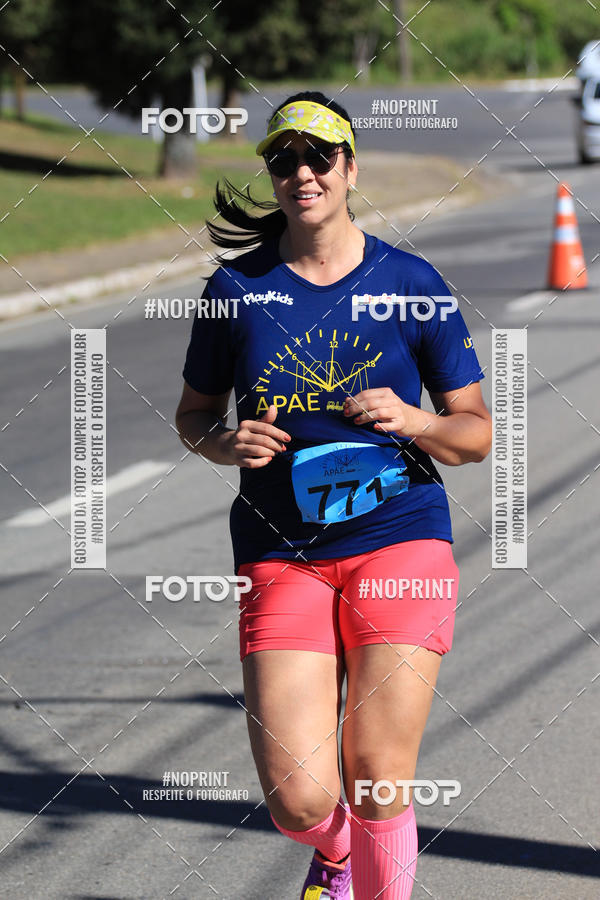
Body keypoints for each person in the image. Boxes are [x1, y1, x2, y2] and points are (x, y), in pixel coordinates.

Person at [176, 91, 492, 899]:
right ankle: (336, 851)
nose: (302, 172)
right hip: (283, 551)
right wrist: (224, 441)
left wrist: (416, 418)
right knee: (299, 798)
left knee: (380, 771)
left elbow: (475, 434)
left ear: (350, 167)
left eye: (320, 156)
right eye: (284, 158)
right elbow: (195, 415)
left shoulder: (410, 281)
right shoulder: (236, 290)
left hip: (400, 538)